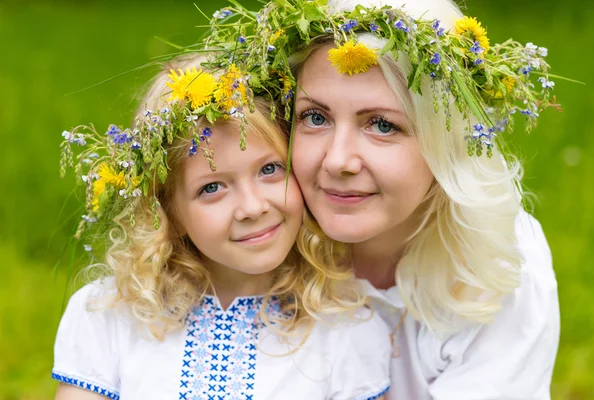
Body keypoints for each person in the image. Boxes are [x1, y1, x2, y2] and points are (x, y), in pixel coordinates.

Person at [54, 54, 391, 400]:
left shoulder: (346, 330)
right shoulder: (108, 315)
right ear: (170, 214)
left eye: (270, 170)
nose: (252, 207)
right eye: (212, 188)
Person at [287, 0, 560, 398]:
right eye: (315, 117)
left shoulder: (498, 262)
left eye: (382, 125)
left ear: (447, 143)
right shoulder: (255, 241)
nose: (338, 160)